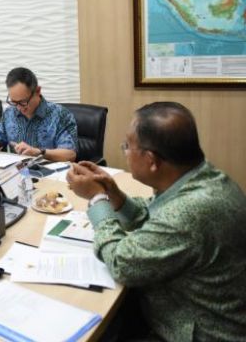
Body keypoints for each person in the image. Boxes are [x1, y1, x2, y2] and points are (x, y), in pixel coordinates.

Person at [66, 102, 246, 341]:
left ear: (151, 160)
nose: (124, 152)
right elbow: (153, 213)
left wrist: (97, 199)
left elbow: (121, 263)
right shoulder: (202, 177)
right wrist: (114, 195)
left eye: (127, 146)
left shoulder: (188, 212)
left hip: (199, 331)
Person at [0, 67, 77, 162]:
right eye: (14, 102)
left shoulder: (61, 115)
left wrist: (39, 152)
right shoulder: (10, 113)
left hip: (48, 172)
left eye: (23, 102)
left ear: (37, 91)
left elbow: (70, 154)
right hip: (14, 171)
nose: (19, 107)